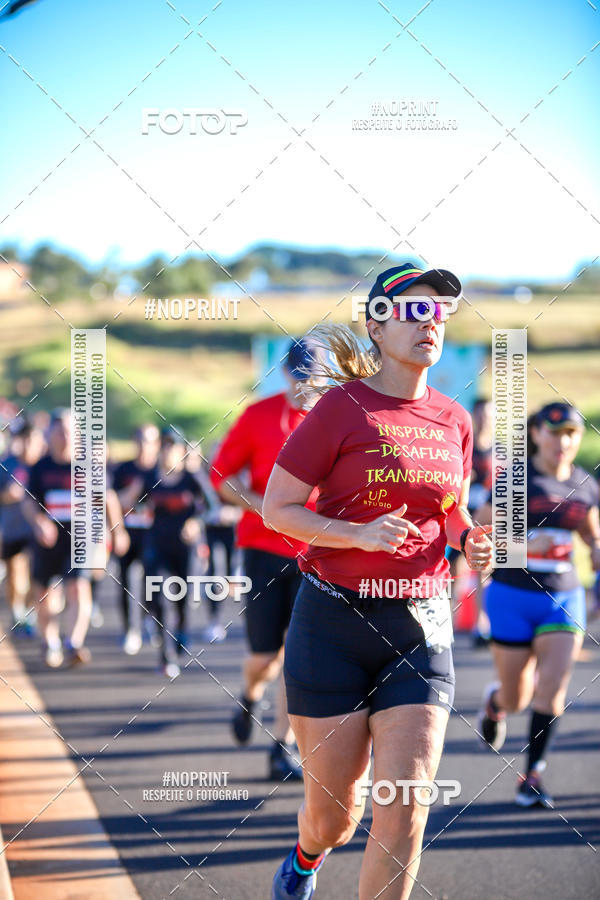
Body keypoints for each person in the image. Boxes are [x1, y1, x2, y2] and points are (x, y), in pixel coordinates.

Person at [263, 263, 493, 899]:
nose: (432, 323)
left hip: (419, 623)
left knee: (407, 806)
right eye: (414, 310)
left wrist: (470, 540)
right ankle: (307, 857)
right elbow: (277, 508)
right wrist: (357, 534)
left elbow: (447, 507)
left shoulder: (454, 419)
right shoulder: (342, 408)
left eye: (440, 312)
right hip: (332, 623)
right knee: (337, 818)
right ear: (376, 324)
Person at [476, 402, 600, 807]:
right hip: (512, 595)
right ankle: (496, 705)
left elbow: (589, 533)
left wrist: (596, 548)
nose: (563, 442)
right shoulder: (516, 478)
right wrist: (526, 543)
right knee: (518, 698)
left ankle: (532, 776)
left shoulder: (585, 483)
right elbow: (480, 527)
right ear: (536, 434)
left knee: (553, 692)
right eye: (555, 432)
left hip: (563, 598)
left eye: (571, 434)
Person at [210, 338, 322, 782]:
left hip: (317, 554)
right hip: (262, 549)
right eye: (299, 373)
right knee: (264, 656)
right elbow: (221, 477)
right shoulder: (259, 415)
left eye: (313, 375)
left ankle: (283, 746)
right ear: (286, 373)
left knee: (299, 655)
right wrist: (265, 506)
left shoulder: (335, 418)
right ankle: (250, 695)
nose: (305, 384)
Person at [23, 408, 129, 668]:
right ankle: (50, 642)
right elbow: (28, 501)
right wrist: (39, 522)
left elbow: (108, 498)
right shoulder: (40, 467)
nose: (66, 437)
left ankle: (74, 643)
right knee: (45, 593)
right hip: (49, 539)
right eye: (60, 431)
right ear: (51, 435)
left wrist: (117, 530)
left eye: (71, 432)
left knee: (78, 587)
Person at [122, 426, 207, 678]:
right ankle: (166, 656)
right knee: (158, 598)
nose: (168, 451)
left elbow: (211, 506)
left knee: (181, 598)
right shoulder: (148, 477)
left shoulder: (192, 478)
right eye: (165, 445)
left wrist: (195, 522)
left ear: (182, 450)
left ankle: (181, 629)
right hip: (155, 544)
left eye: (173, 446)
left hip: (183, 547)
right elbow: (126, 500)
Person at [113, 424, 160, 654]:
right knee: (126, 582)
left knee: (152, 581)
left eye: (149, 441)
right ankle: (130, 630)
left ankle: (149, 619)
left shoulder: (162, 470)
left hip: (153, 534)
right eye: (140, 439)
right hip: (128, 531)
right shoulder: (124, 469)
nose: (144, 446)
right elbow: (113, 501)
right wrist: (133, 491)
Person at [0, 418, 45, 634]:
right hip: (12, 528)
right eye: (24, 440)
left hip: (37, 530)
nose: (28, 445)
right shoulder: (6, 464)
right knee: (15, 572)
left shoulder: (45, 465)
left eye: (32, 440)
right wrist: (7, 496)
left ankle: (31, 613)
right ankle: (18, 612)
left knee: (35, 574)